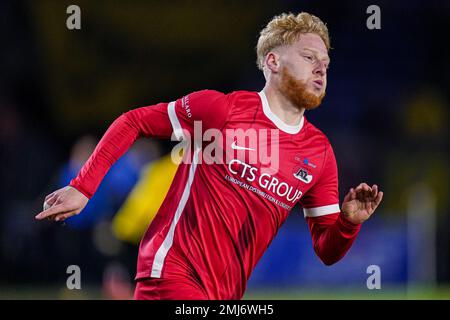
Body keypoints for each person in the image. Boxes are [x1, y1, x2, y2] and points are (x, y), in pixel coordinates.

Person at [35, 12, 383, 300]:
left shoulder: (318, 152)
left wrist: (349, 222)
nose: (321, 68)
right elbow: (134, 121)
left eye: (325, 62)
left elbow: (327, 249)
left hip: (225, 294)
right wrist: (83, 186)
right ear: (273, 61)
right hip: (170, 272)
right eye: (309, 58)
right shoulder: (220, 110)